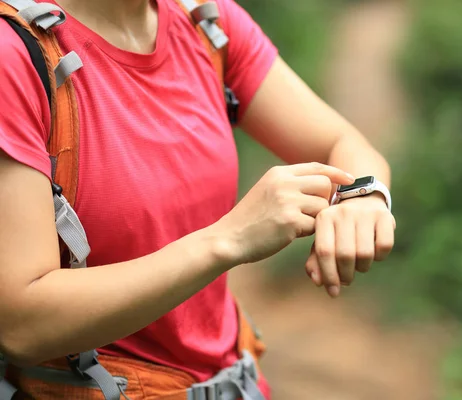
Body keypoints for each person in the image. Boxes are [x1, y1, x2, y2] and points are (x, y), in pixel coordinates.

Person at [0, 0, 396, 398]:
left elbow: (342, 144)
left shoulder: (205, 21)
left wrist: (362, 196)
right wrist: (227, 240)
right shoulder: (15, 53)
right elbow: (21, 325)